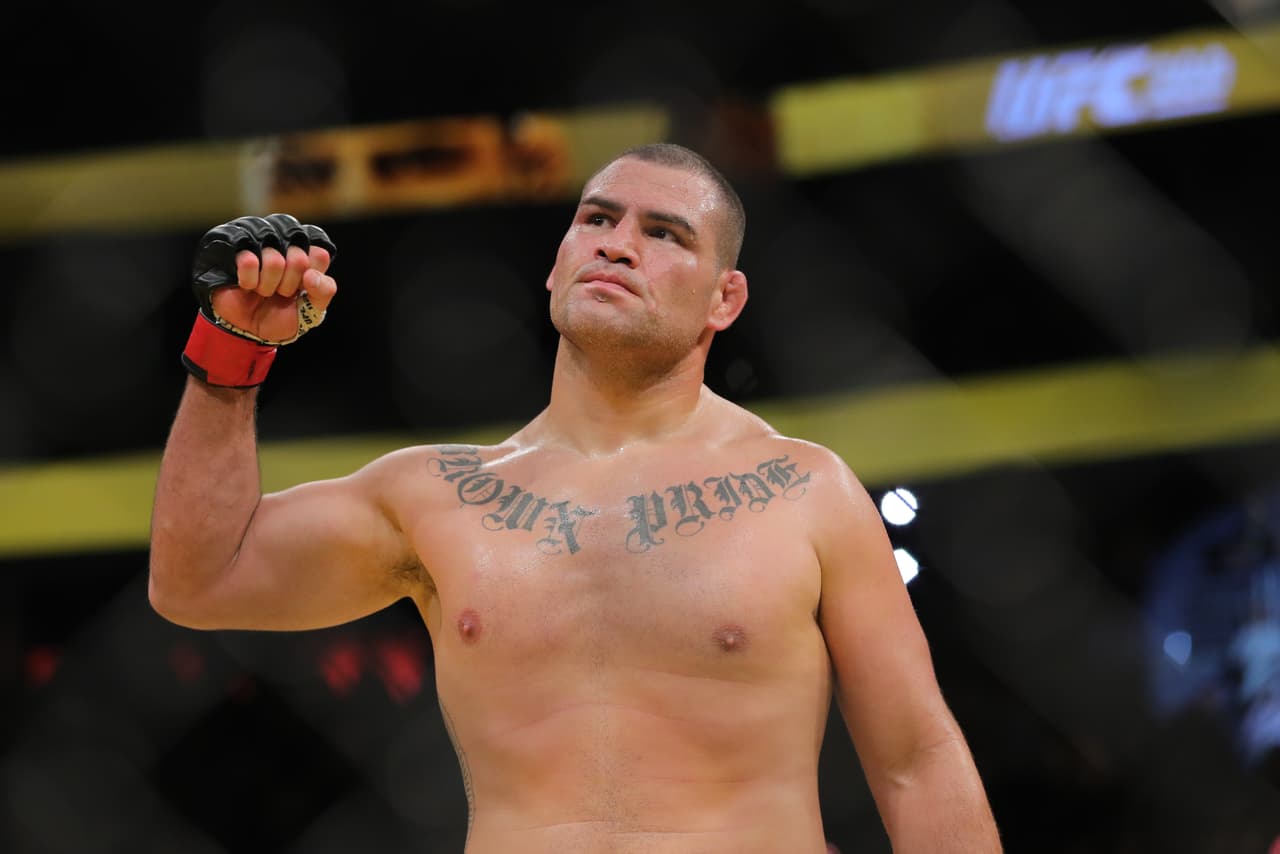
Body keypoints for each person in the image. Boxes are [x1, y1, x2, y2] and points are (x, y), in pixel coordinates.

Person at [149, 142, 1002, 853]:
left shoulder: (803, 489)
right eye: (596, 218)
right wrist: (230, 353)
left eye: (664, 233)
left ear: (724, 298)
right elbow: (197, 579)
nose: (618, 245)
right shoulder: (438, 495)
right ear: (557, 259)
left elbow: (916, 761)